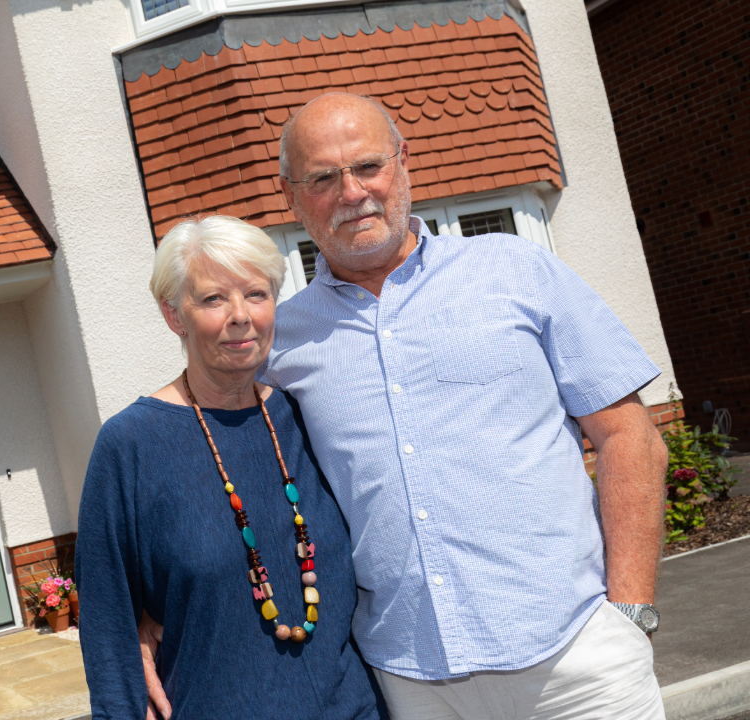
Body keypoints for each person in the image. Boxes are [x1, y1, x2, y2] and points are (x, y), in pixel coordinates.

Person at [137, 93, 671, 719]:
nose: (352, 192)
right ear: (290, 195)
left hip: (575, 663)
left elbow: (629, 436)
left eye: (368, 166)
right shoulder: (282, 342)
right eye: (323, 178)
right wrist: (150, 606)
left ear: (404, 161)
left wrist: (629, 612)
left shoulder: (518, 270)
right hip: (411, 682)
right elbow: (207, 445)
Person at [74, 215, 382, 720]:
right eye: (213, 299)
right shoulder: (130, 445)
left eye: (256, 294)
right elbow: (108, 623)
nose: (240, 315)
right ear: (174, 315)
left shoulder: (307, 412)